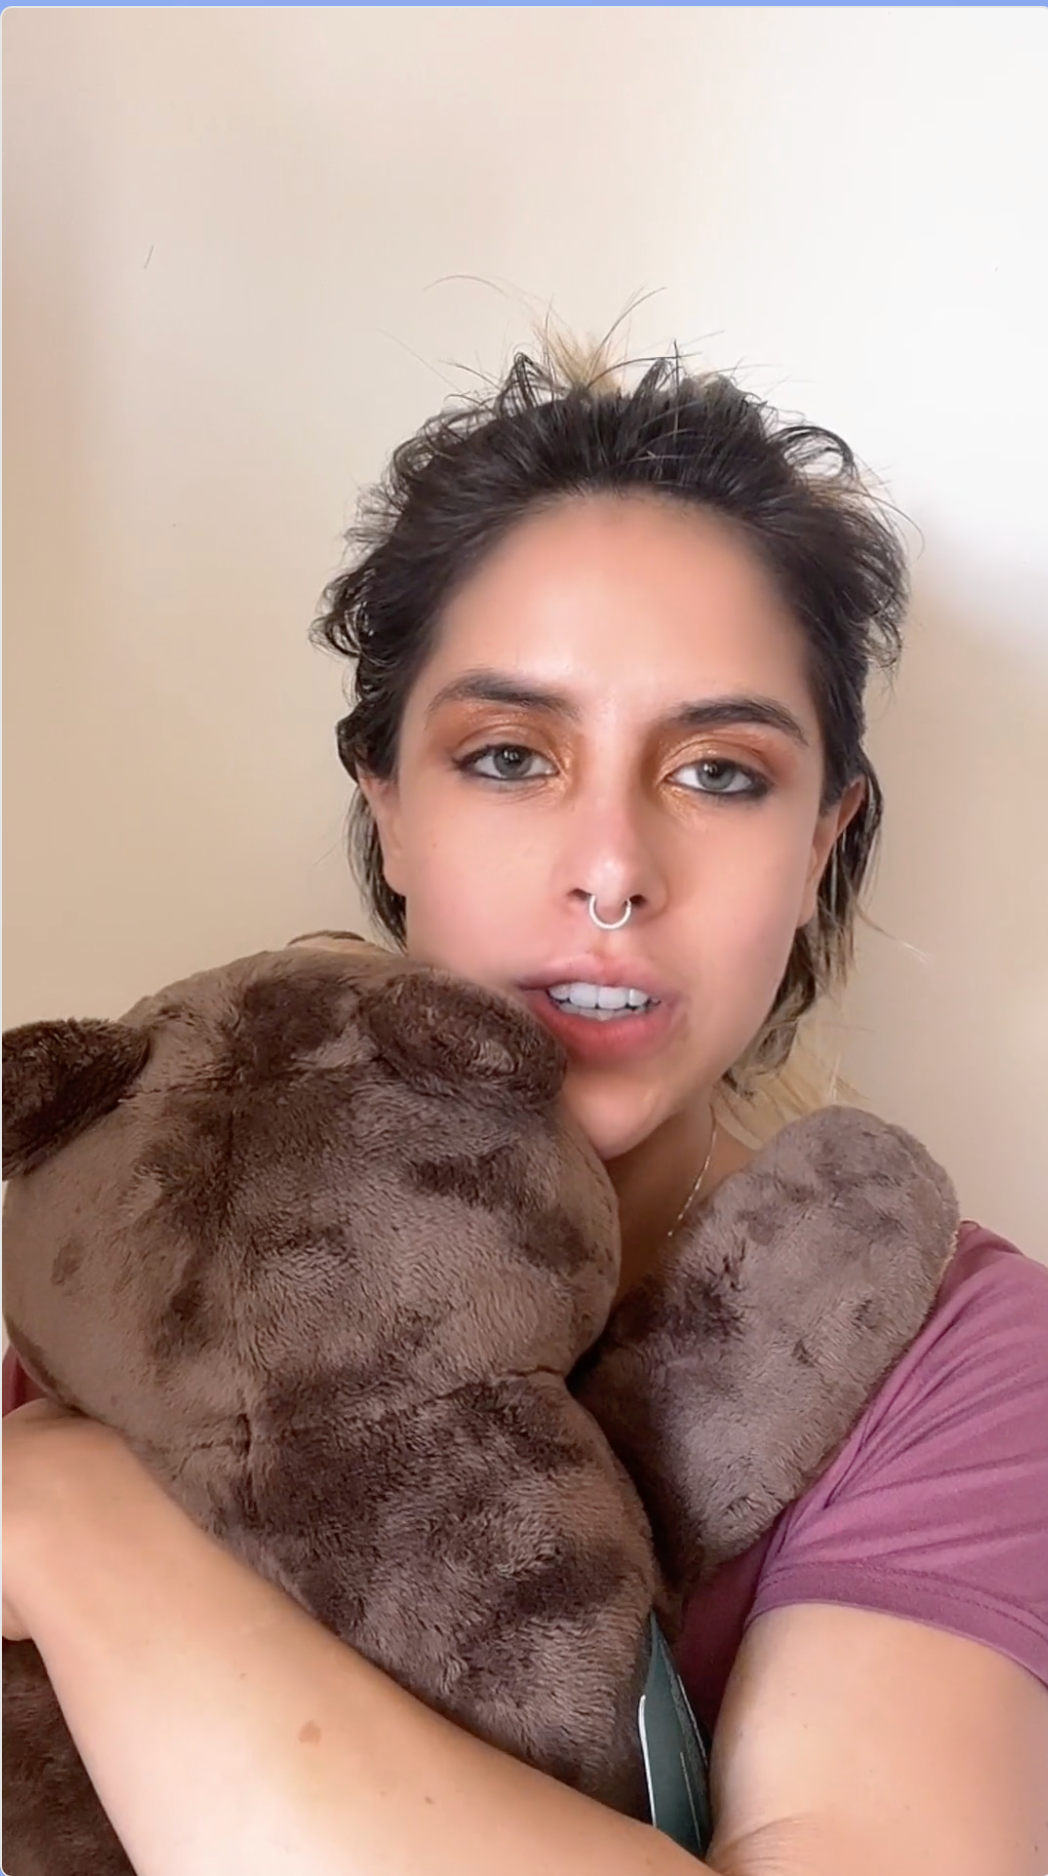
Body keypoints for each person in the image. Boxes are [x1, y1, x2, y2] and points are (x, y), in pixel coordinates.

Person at [3, 344, 1047, 1876]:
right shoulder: (142, 1232)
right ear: (389, 810)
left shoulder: (951, 1359)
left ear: (822, 844)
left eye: (719, 773)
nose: (613, 866)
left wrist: (73, 1522)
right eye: (509, 758)